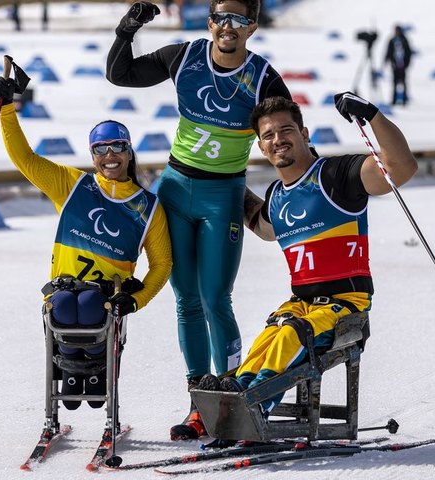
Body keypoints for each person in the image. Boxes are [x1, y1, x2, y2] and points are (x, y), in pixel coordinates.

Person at [106, 0, 292, 440]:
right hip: (175, 190)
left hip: (223, 196)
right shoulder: (184, 56)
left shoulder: (263, 77)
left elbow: (287, 132)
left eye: (239, 19)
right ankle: (198, 402)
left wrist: (312, 180)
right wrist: (126, 30)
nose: (229, 26)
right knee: (186, 299)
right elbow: (121, 74)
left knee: (215, 297)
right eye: (221, 17)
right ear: (211, 22)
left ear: (252, 27)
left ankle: (231, 395)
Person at [202, 92, 418, 417]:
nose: (278, 140)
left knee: (291, 334)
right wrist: (227, 183)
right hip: (301, 305)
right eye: (268, 135)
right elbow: (264, 227)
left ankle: (253, 404)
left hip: (346, 306)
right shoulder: (276, 195)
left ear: (304, 134)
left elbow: (401, 167)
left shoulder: (336, 176)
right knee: (269, 337)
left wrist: (371, 114)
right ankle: (237, 391)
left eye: (286, 130)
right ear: (261, 147)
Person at [0, 69, 172, 410]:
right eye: (100, 148)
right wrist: (7, 109)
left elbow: (162, 265)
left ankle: (93, 370)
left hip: (105, 296)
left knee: (89, 305)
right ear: (92, 156)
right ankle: (72, 370)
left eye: (118, 146)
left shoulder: (148, 207)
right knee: (62, 306)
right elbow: (25, 159)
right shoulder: (73, 185)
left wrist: (137, 300)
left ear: (129, 152)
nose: (110, 154)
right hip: (65, 288)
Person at [384, 25, 413, 105]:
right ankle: (393, 100)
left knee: (403, 83)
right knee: (394, 83)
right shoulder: (392, 40)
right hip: (395, 65)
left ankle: (404, 100)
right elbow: (388, 51)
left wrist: (407, 64)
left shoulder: (404, 40)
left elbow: (408, 53)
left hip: (403, 66)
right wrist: (387, 61)